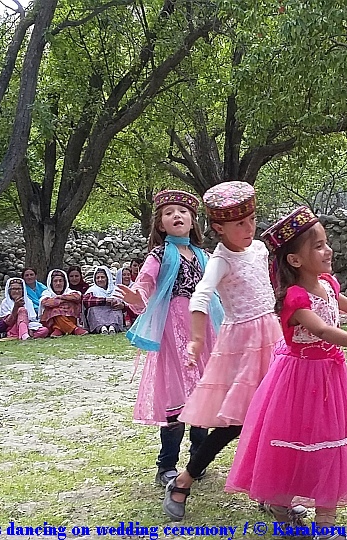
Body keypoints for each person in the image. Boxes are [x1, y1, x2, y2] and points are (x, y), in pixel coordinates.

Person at [225, 206, 347, 531]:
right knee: (295, 442)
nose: (327, 250)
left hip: (330, 377)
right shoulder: (295, 298)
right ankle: (281, 505)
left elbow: (345, 304)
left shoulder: (327, 283)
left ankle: (326, 523)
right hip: (299, 380)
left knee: (332, 441)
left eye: (326, 242)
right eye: (317, 246)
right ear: (295, 260)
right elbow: (323, 331)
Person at [163, 181, 281, 521]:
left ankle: (271, 491)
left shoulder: (259, 249)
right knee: (238, 423)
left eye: (251, 220)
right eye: (238, 224)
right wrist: (197, 339)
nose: (248, 229)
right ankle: (183, 480)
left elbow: (272, 288)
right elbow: (201, 295)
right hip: (243, 346)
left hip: (272, 338)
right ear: (218, 227)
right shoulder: (220, 260)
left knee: (273, 416)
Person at [114, 190, 221, 490]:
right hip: (173, 330)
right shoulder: (158, 255)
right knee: (176, 394)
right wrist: (137, 296)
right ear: (160, 224)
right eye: (169, 212)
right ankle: (166, 465)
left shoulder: (205, 256)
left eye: (183, 211)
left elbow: (220, 288)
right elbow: (145, 283)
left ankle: (198, 460)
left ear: (193, 220)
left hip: (204, 327)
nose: (177, 216)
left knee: (202, 392)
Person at [38, 269, 88, 337]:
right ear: (51, 283)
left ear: (65, 282)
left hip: (71, 319)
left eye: (60, 281)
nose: (58, 283)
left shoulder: (71, 291)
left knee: (71, 306)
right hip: (51, 323)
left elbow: (77, 297)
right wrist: (66, 300)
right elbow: (48, 303)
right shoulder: (46, 293)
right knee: (55, 310)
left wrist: (59, 298)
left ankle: (58, 329)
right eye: (55, 281)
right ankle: (74, 329)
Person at [83, 266, 125, 334]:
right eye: (97, 278)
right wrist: (105, 301)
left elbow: (126, 303)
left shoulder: (115, 289)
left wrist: (122, 305)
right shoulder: (92, 290)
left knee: (116, 309)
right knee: (93, 309)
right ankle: (102, 328)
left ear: (107, 278)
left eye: (102, 277)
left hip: (112, 311)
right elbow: (86, 301)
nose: (100, 280)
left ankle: (113, 327)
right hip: (98, 316)